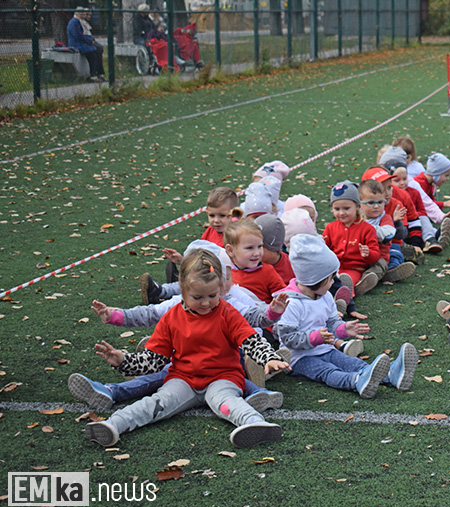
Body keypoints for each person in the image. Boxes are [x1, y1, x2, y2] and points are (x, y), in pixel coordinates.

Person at [81, 248, 288, 448]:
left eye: (212, 296)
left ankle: (255, 423)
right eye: (198, 297)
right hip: (183, 380)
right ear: (182, 288)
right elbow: (154, 360)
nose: (206, 303)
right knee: (156, 403)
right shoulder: (172, 317)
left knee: (227, 403)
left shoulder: (227, 313)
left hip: (222, 378)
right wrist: (123, 361)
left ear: (221, 289)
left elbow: (250, 339)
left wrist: (268, 357)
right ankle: (113, 425)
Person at [276, 234, 418, 398]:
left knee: (351, 362)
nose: (333, 283)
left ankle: (391, 375)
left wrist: (343, 329)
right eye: (330, 279)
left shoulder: (326, 296)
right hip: (299, 359)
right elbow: (287, 337)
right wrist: (315, 337)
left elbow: (331, 323)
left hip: (325, 349)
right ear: (315, 279)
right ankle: (357, 381)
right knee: (328, 372)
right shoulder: (291, 303)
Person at [141, 187, 240, 302]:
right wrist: (183, 260)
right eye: (212, 216)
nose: (216, 220)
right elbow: (201, 257)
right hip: (205, 274)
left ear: (234, 214)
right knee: (192, 280)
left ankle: (164, 292)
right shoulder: (210, 231)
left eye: (222, 216)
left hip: (222, 283)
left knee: (194, 285)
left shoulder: (236, 235)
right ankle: (161, 290)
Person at [322, 180, 382, 296]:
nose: (341, 213)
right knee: (325, 284)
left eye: (346, 208)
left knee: (346, 282)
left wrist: (368, 253)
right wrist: (322, 246)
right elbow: (325, 252)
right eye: (337, 209)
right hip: (333, 268)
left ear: (357, 206)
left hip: (354, 269)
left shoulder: (367, 228)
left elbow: (376, 254)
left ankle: (344, 301)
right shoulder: (330, 228)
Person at [358, 176, 416, 283]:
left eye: (380, 202)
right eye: (371, 203)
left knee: (389, 259)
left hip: (379, 256)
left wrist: (363, 229)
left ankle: (377, 276)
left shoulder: (386, 218)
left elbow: (387, 235)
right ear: (359, 204)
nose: (376, 206)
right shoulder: (356, 219)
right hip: (359, 255)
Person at [67, 6, 104, 82]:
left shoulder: (79, 21)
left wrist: (91, 40)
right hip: (76, 44)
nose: (85, 15)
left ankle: (100, 73)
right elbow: (78, 36)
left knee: (98, 50)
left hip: (82, 43)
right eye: (83, 13)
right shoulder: (74, 22)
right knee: (93, 53)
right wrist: (90, 41)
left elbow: (85, 34)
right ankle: (93, 75)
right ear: (78, 13)